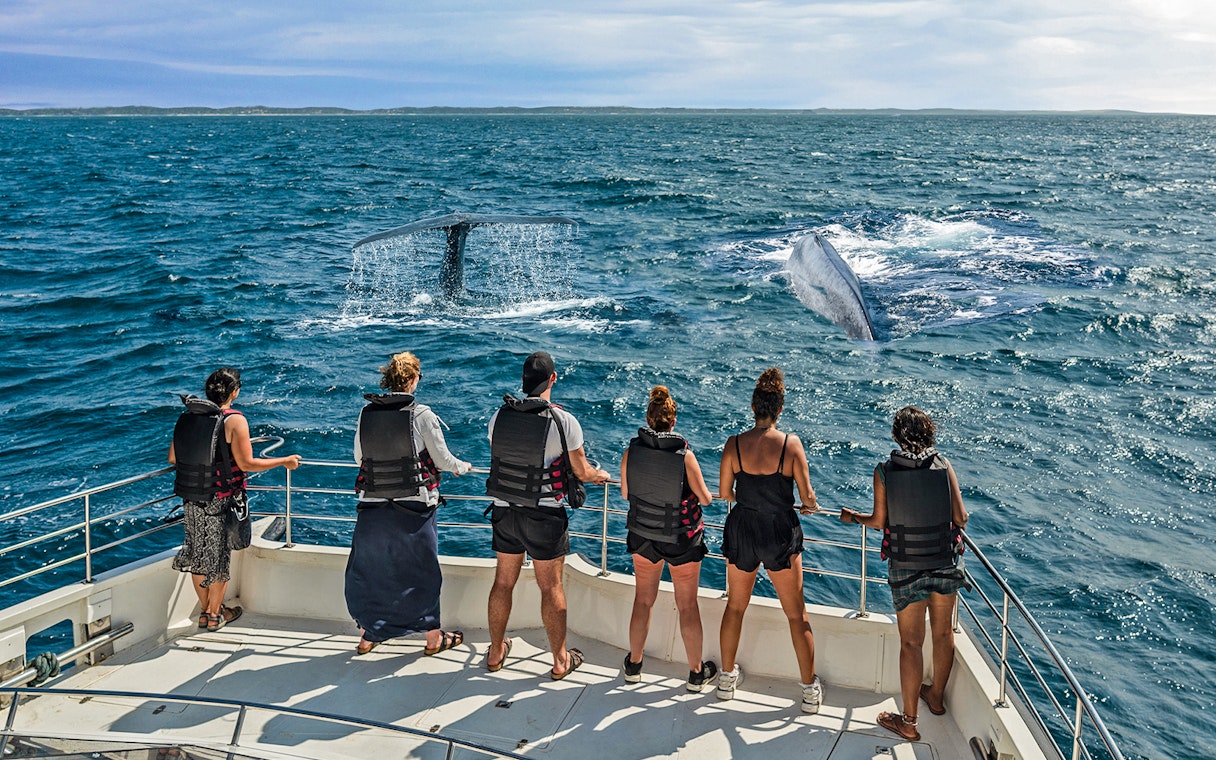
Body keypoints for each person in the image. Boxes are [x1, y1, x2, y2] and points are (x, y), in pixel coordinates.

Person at [840, 406, 969, 742]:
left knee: (911, 643)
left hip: (907, 568)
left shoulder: (884, 471)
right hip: (944, 563)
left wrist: (854, 517)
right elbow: (962, 517)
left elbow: (879, 522)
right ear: (928, 433)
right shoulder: (944, 464)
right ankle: (936, 697)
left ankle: (909, 722)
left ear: (897, 436)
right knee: (943, 634)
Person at [484, 351, 610, 680]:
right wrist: (598, 475)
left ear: (524, 382)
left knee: (502, 583)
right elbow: (581, 471)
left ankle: (496, 651)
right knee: (550, 588)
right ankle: (559, 660)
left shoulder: (498, 417)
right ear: (553, 379)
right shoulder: (563, 421)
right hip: (544, 516)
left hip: (505, 512)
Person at [345, 352, 473, 656]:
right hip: (414, 508)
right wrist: (462, 466)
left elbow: (359, 458)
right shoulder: (422, 415)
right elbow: (442, 460)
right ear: (414, 379)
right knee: (422, 572)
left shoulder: (367, 413)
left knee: (374, 571)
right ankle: (432, 639)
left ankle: (369, 635)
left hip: (373, 506)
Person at [716, 367, 824, 713]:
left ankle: (726, 680)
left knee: (735, 606)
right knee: (796, 615)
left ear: (753, 407)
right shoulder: (791, 445)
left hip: (743, 527)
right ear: (779, 408)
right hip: (779, 531)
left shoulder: (734, 443)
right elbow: (807, 498)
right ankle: (808, 692)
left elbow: (724, 492)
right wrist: (809, 505)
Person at [170, 367, 301, 632]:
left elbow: (173, 458)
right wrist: (284, 461)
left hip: (192, 497)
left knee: (198, 555)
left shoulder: (188, 417)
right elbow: (247, 463)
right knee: (219, 557)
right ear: (235, 391)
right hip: (222, 498)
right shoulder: (234, 420)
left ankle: (207, 611)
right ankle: (215, 615)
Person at [619, 386, 716, 691]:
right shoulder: (685, 457)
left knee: (643, 600)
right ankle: (696, 673)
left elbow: (625, 493)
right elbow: (706, 498)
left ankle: (634, 666)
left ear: (648, 420)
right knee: (686, 605)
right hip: (680, 539)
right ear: (673, 422)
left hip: (643, 535)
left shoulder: (631, 451)